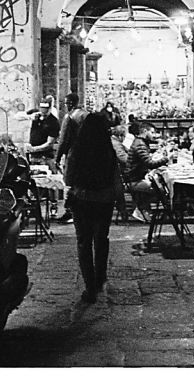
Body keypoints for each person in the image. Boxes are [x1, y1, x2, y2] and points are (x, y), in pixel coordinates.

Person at [64, 112, 126, 303]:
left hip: (82, 200)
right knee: (101, 239)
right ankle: (100, 278)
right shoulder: (107, 150)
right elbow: (116, 178)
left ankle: (89, 287)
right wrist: (121, 202)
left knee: (84, 242)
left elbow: (68, 178)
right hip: (104, 201)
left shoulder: (77, 150)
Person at [126, 120, 167, 222]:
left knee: (161, 184)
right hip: (135, 180)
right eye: (152, 132)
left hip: (137, 177)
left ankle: (143, 208)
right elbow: (150, 164)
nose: (154, 135)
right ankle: (141, 208)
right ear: (145, 131)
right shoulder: (140, 144)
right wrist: (166, 159)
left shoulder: (140, 142)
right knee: (162, 190)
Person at [55, 92, 88, 223]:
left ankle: (70, 210)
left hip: (73, 155)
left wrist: (58, 157)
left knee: (70, 183)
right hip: (87, 155)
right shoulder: (86, 115)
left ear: (70, 104)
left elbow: (63, 140)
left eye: (66, 103)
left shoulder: (69, 117)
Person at [26, 98, 60, 165]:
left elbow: (49, 143)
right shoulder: (35, 114)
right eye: (42, 109)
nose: (43, 113)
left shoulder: (53, 122)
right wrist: (29, 117)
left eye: (45, 111)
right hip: (32, 155)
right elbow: (17, 116)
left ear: (50, 109)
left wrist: (34, 149)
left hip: (45, 156)